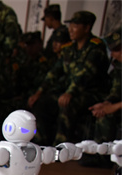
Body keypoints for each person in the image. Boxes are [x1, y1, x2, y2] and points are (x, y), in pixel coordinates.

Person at [28, 11, 109, 144]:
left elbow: (85, 75)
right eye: (70, 25)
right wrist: (39, 92)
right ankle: (39, 144)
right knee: (42, 103)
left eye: (75, 26)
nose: (70, 29)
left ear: (87, 28)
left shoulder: (96, 47)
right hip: (68, 92)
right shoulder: (69, 49)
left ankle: (61, 148)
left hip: (90, 94)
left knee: (67, 105)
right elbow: (54, 73)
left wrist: (70, 93)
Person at [89, 31, 121, 143]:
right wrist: (107, 103)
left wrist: (115, 106)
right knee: (102, 114)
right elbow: (117, 89)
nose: (113, 55)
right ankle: (101, 151)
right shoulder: (119, 67)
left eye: (116, 50)